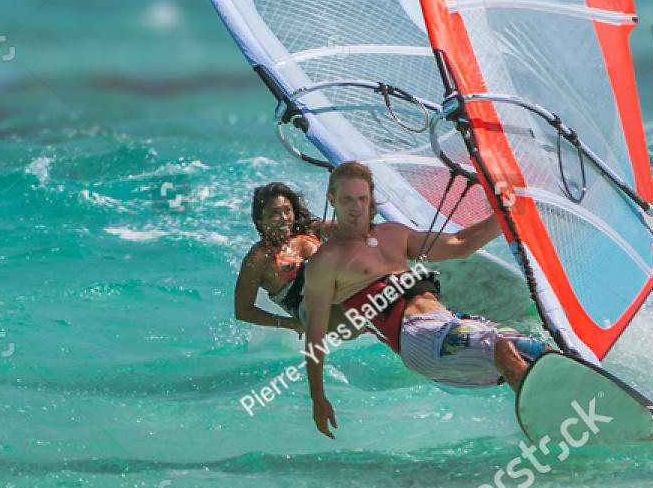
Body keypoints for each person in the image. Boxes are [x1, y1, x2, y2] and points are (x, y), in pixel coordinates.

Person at [300, 161, 551, 440]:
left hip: (449, 322)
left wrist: (511, 210)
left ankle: (570, 408)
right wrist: (317, 397)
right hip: (416, 337)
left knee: (540, 352)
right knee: (501, 348)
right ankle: (549, 431)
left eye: (362, 198)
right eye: (347, 199)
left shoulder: (392, 234)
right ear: (332, 200)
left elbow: (459, 243)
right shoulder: (326, 261)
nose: (356, 207)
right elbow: (315, 333)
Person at [233, 182, 350, 334]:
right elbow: (243, 311)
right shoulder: (258, 259)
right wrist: (290, 324)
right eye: (275, 213)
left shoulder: (310, 231)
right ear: (260, 220)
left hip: (344, 294)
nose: (284, 218)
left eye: (287, 211)